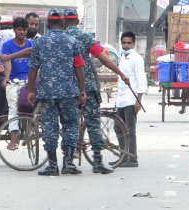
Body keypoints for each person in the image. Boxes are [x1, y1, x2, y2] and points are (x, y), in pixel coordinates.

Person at [63, 8, 130, 174]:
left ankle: (68, 161)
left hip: (66, 88)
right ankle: (98, 162)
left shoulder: (59, 39)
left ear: (63, 22)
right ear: (78, 21)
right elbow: (105, 59)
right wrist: (121, 74)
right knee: (93, 123)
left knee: (69, 124)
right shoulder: (86, 38)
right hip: (88, 88)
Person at [27, 8, 87, 176]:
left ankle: (52, 165)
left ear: (47, 24)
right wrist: (82, 90)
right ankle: (68, 163)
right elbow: (79, 67)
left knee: (50, 128)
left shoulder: (39, 42)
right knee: (70, 126)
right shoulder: (72, 41)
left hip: (47, 93)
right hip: (69, 92)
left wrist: (30, 90)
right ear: (62, 23)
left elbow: (33, 68)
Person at [114, 32, 147, 168]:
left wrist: (138, 101)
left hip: (131, 100)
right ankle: (123, 156)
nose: (126, 45)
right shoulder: (122, 57)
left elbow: (141, 81)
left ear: (133, 44)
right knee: (118, 127)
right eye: (124, 43)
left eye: (129, 43)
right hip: (121, 99)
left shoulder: (137, 59)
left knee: (129, 130)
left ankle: (132, 158)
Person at [1, 17, 34, 150]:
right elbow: (7, 62)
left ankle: (33, 129)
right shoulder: (7, 45)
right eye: (19, 29)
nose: (22, 32)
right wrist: (6, 78)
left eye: (24, 29)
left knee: (35, 104)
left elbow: (35, 65)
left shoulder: (31, 44)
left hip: (28, 81)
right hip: (14, 80)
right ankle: (13, 139)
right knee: (13, 106)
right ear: (14, 30)